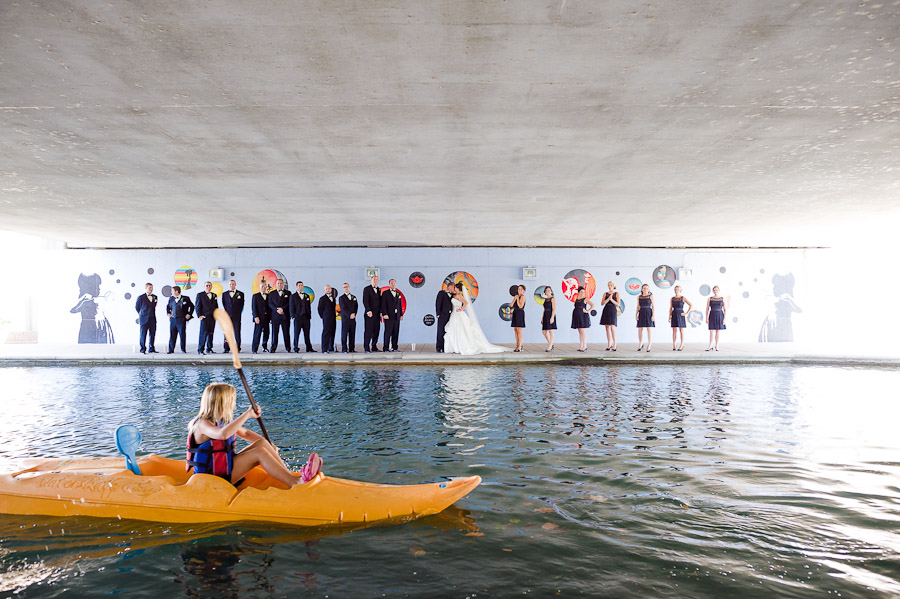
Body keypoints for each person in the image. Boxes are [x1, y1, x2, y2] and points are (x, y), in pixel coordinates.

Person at [186, 382, 322, 488]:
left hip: (224, 469)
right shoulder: (202, 425)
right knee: (259, 453)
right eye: (233, 401)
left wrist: (270, 446)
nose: (234, 404)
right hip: (211, 477)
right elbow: (222, 434)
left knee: (262, 444)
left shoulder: (222, 421)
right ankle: (295, 483)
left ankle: (290, 476)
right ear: (223, 403)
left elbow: (245, 433)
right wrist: (248, 414)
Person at [444, 283, 508, 355]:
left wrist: (461, 309)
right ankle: (454, 347)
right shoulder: (454, 295)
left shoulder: (459, 295)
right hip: (454, 314)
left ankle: (460, 347)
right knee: (454, 330)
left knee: (460, 330)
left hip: (458, 314)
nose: (454, 289)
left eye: (455, 287)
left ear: (458, 289)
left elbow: (466, 302)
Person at [166, 285, 194, 353]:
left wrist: (189, 314)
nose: (171, 292)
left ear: (176, 291)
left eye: (172, 291)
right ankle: (171, 349)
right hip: (173, 320)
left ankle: (183, 349)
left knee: (182, 335)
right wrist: (168, 313)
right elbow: (168, 307)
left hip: (181, 319)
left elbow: (192, 306)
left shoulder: (186, 298)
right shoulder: (171, 298)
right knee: (172, 335)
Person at [289, 281, 315, 353]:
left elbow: (308, 307)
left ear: (303, 286)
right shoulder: (293, 296)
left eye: (301, 285)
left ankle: (309, 348)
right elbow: (291, 307)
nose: (300, 286)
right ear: (297, 287)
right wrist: (293, 316)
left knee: (307, 333)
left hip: (306, 317)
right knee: (296, 333)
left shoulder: (306, 295)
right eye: (299, 285)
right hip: (298, 318)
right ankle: (296, 348)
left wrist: (309, 315)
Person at [267, 279, 292, 353]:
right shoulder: (271, 293)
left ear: (283, 284)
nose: (279, 284)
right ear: (276, 284)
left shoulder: (288, 293)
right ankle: (273, 348)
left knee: (286, 333)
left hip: (285, 315)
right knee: (274, 333)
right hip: (275, 316)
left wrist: (282, 309)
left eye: (281, 283)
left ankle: (288, 348)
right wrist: (277, 309)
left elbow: (289, 303)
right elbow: (270, 304)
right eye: (278, 283)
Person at [195, 282, 219, 355]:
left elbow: (216, 306)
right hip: (204, 317)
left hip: (212, 317)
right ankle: (200, 349)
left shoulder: (214, 295)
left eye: (210, 286)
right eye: (207, 286)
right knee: (203, 333)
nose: (208, 287)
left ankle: (209, 348)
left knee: (211, 333)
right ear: (204, 286)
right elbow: (197, 306)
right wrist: (200, 315)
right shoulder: (200, 295)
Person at [221, 280, 244, 353]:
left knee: (237, 332)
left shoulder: (241, 294)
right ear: (229, 285)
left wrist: (237, 312)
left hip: (236, 316)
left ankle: (237, 347)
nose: (231, 285)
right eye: (230, 284)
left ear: (235, 284)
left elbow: (241, 305)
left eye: (233, 284)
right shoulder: (224, 294)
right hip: (227, 316)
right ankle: (226, 348)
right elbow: (224, 304)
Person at [135, 282, 158, 354]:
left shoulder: (155, 297)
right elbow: (137, 307)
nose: (151, 289)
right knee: (143, 334)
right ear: (146, 288)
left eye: (152, 288)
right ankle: (142, 349)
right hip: (144, 319)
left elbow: (154, 306)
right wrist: (142, 314)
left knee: (152, 333)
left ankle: (151, 348)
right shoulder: (141, 297)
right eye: (149, 288)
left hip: (152, 318)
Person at [381, 279, 403, 352]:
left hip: (397, 316)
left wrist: (401, 314)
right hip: (389, 316)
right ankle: (386, 348)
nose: (393, 284)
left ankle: (395, 347)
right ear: (389, 284)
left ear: (395, 284)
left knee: (396, 332)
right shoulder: (385, 293)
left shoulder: (398, 293)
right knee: (388, 332)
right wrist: (384, 314)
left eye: (394, 283)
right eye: (391, 283)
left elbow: (400, 305)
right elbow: (383, 304)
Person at [669, 285, 692, 351]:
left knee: (681, 330)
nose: (676, 291)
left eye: (678, 290)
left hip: (680, 314)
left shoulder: (683, 298)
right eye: (675, 290)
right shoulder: (672, 298)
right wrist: (669, 316)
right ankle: (674, 344)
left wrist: (686, 313)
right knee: (674, 330)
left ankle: (682, 344)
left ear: (680, 290)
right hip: (674, 313)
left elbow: (691, 305)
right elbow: (671, 308)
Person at [362, 275, 382, 353]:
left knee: (376, 331)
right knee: (368, 331)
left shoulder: (379, 289)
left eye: (376, 279)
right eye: (374, 279)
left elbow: (380, 302)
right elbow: (365, 301)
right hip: (369, 314)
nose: (375, 281)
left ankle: (374, 346)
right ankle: (366, 348)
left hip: (377, 314)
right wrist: (368, 310)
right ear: (371, 280)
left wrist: (381, 311)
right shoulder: (366, 289)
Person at [571, 286, 594, 352]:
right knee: (580, 331)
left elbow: (593, 305)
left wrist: (587, 311)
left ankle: (585, 345)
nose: (582, 293)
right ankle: (581, 346)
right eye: (581, 292)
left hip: (583, 316)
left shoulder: (585, 299)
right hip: (577, 315)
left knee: (583, 331)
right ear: (578, 292)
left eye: (583, 292)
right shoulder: (577, 299)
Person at [599, 281, 619, 351]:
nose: (609, 286)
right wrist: (608, 299)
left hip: (613, 310)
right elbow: (602, 303)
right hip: (606, 310)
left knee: (612, 327)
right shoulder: (605, 294)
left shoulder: (616, 293)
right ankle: (609, 343)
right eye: (608, 285)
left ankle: (615, 343)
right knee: (607, 327)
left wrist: (611, 299)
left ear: (613, 286)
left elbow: (618, 304)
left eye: (611, 285)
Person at [251, 284, 271, 353]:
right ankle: (254, 349)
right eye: (262, 287)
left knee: (267, 333)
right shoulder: (255, 296)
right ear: (259, 288)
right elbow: (254, 308)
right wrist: (255, 316)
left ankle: (264, 347)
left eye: (265, 287)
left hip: (267, 318)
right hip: (259, 318)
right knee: (257, 334)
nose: (264, 288)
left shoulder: (268, 296)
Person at [339, 283, 358, 353]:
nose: (346, 288)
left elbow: (356, 307)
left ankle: (351, 348)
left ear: (349, 287)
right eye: (344, 287)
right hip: (345, 319)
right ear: (343, 289)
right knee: (344, 334)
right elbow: (343, 308)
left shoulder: (354, 297)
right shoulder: (341, 298)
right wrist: (349, 314)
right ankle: (344, 349)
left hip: (353, 319)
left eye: (347, 287)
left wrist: (354, 314)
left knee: (352, 334)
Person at [706, 286, 726, 351]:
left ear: (719, 290)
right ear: (713, 291)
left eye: (717, 290)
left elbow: (725, 309)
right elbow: (707, 309)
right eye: (714, 290)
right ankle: (710, 345)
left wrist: (724, 319)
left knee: (718, 331)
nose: (715, 291)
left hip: (720, 314)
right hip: (712, 314)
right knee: (711, 331)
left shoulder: (722, 298)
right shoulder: (710, 298)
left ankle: (716, 345)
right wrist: (706, 318)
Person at [318, 284, 337, 353]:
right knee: (326, 333)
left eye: (329, 288)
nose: (328, 290)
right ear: (324, 290)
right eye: (326, 289)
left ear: (331, 289)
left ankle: (330, 347)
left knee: (332, 332)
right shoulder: (322, 299)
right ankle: (324, 349)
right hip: (326, 319)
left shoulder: (333, 298)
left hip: (333, 318)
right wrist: (323, 317)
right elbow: (320, 309)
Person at [635, 284, 655, 352]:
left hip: (649, 312)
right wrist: (636, 314)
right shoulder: (639, 297)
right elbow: (638, 306)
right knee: (640, 329)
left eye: (647, 288)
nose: (645, 289)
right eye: (644, 288)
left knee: (649, 329)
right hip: (641, 312)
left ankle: (649, 344)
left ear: (649, 289)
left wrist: (653, 315)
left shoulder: (650, 296)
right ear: (642, 289)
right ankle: (640, 343)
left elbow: (653, 306)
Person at [435, 284, 454, 352]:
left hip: (450, 316)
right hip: (442, 315)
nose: (452, 289)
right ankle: (438, 347)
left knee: (447, 331)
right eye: (452, 288)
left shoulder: (452, 295)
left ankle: (444, 347)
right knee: (440, 331)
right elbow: (438, 303)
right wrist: (438, 313)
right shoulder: (441, 293)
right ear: (449, 287)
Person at [540, 286, 557, 352]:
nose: (548, 291)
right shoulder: (545, 299)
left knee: (551, 331)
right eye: (547, 290)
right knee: (544, 332)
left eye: (549, 290)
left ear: (551, 291)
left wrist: (552, 317)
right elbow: (544, 309)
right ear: (545, 292)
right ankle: (551, 343)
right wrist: (542, 318)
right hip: (545, 315)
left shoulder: (553, 299)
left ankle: (550, 346)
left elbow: (554, 308)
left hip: (550, 315)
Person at [511, 285, 526, 352]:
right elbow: (511, 305)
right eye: (519, 289)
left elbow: (520, 306)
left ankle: (520, 346)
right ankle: (517, 345)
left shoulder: (523, 297)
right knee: (515, 329)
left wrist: (517, 299)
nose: (519, 290)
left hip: (520, 313)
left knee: (519, 330)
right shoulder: (516, 296)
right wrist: (515, 298)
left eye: (521, 289)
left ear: (524, 290)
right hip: (515, 312)